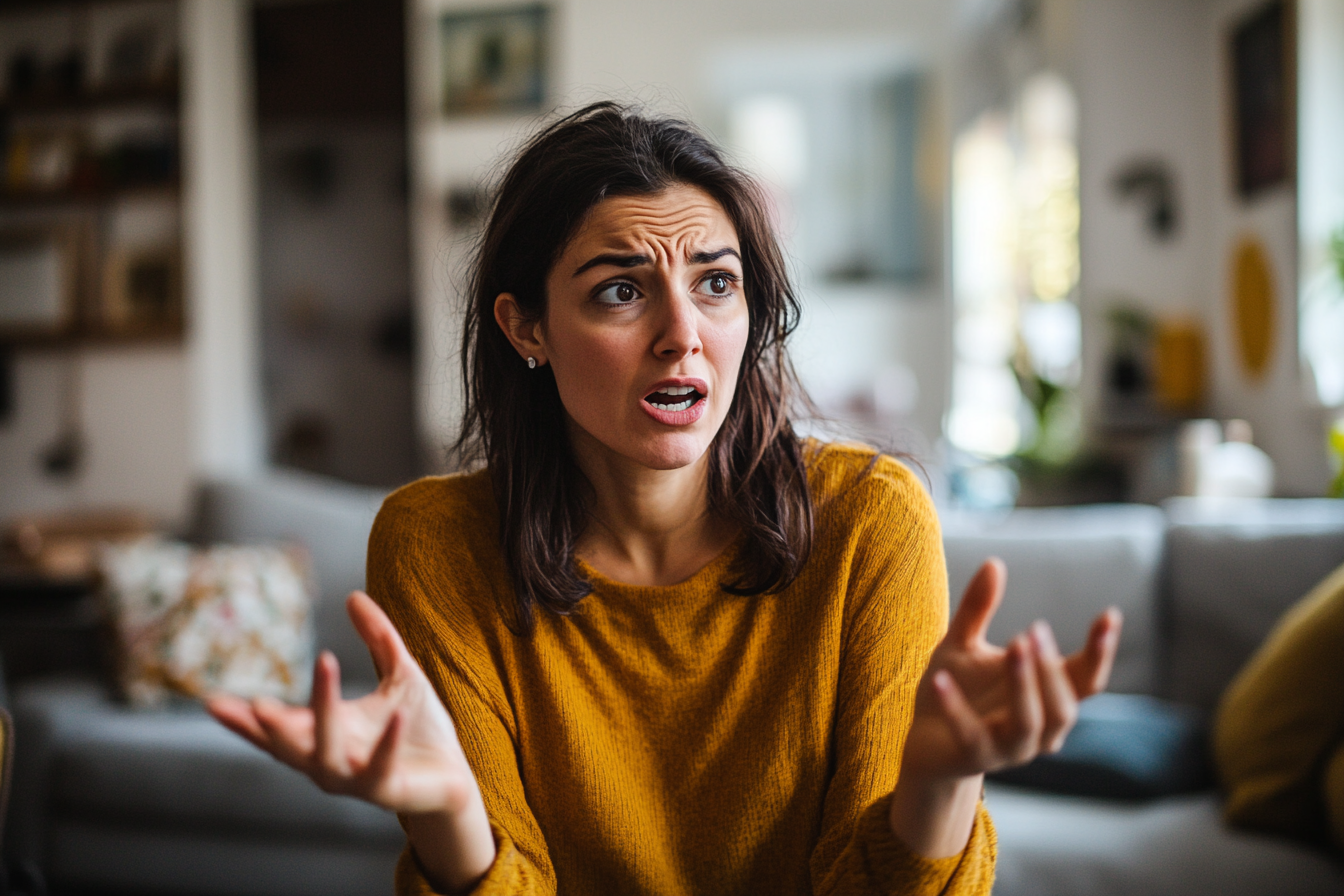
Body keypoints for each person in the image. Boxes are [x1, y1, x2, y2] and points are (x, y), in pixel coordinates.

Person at [209, 102, 1121, 896]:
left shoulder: (871, 521)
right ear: (526, 326)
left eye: (716, 284)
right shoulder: (434, 545)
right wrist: (452, 810)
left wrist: (940, 781)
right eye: (620, 292)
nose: (682, 335)